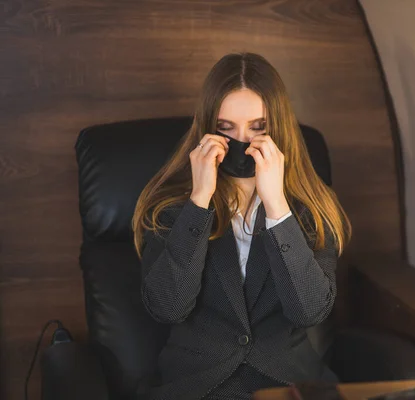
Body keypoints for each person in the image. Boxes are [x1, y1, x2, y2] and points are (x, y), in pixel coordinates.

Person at [131, 52, 352, 400]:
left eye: (258, 129)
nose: (242, 141)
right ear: (207, 128)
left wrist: (277, 206)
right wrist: (200, 200)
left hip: (286, 385)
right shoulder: (169, 208)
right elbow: (168, 307)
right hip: (197, 386)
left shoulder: (311, 208)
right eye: (226, 129)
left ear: (277, 130)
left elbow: (308, 310)